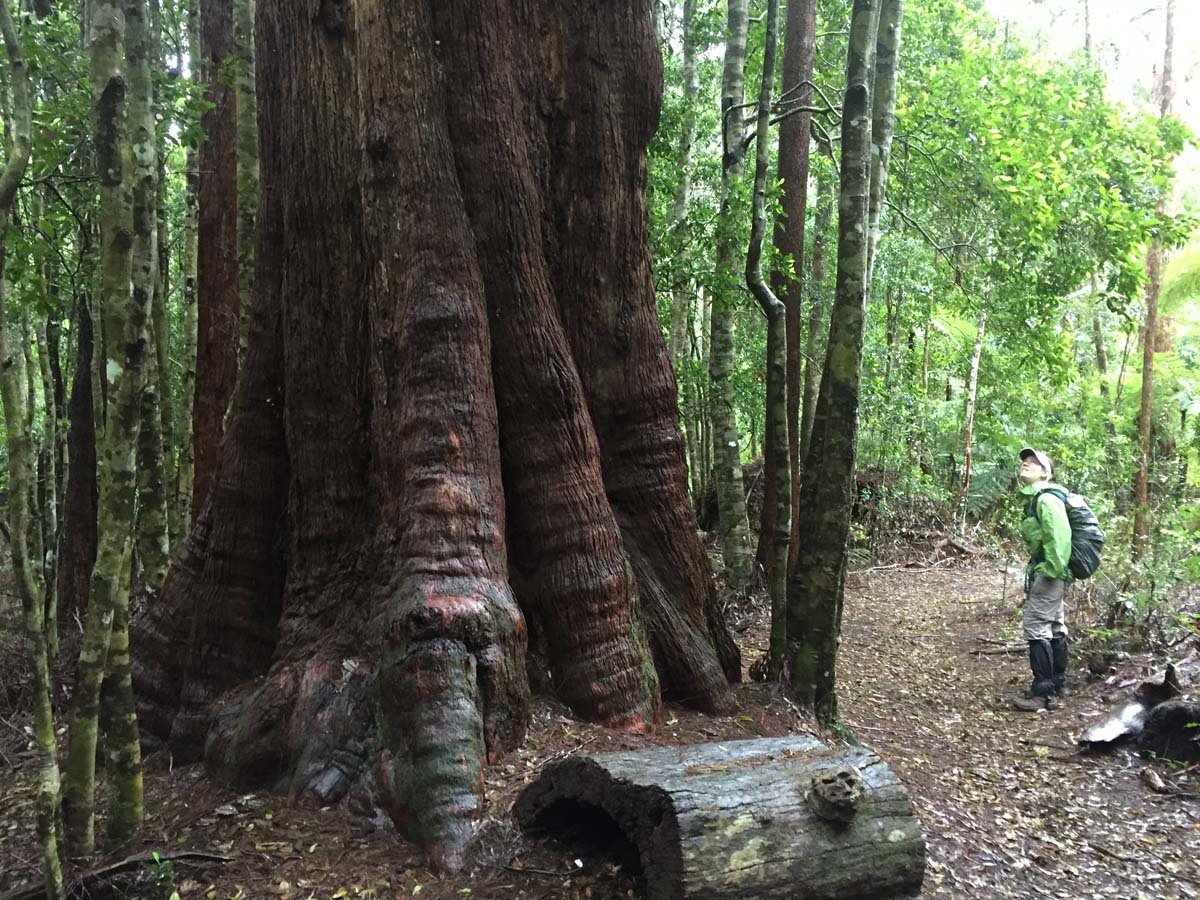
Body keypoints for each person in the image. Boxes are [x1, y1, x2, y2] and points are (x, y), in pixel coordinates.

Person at [1012, 447, 1072, 712]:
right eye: (1025, 461)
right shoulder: (1039, 499)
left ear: (1045, 472)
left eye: (1033, 462)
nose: (1026, 464)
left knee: (1036, 626)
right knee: (1056, 626)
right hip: (1053, 572)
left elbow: (1057, 537)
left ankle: (1043, 694)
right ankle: (1058, 685)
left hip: (1050, 573)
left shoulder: (1047, 500)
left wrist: (1051, 570)